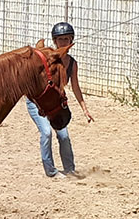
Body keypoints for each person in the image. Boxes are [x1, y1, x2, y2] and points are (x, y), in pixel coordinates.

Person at [26, 21, 94, 179]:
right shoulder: (48, 61)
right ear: (55, 41)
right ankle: (51, 171)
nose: (63, 42)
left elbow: (76, 87)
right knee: (46, 132)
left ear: (71, 41)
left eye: (67, 39)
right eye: (60, 39)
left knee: (63, 135)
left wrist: (85, 109)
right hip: (38, 102)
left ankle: (70, 169)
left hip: (55, 103)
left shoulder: (72, 64)